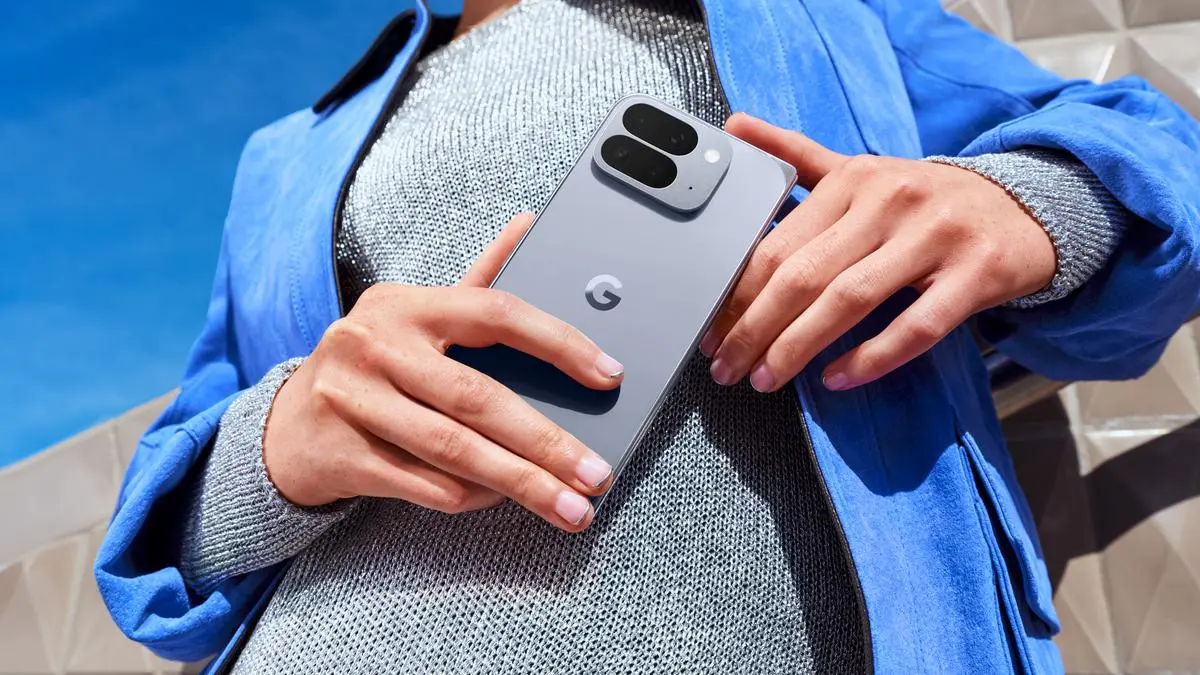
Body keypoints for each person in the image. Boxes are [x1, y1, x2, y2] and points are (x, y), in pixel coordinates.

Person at [95, 0, 1200, 673]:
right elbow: (163, 544)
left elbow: (1158, 163)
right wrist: (281, 440)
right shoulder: (288, 151)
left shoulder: (821, 19)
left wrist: (1021, 203)